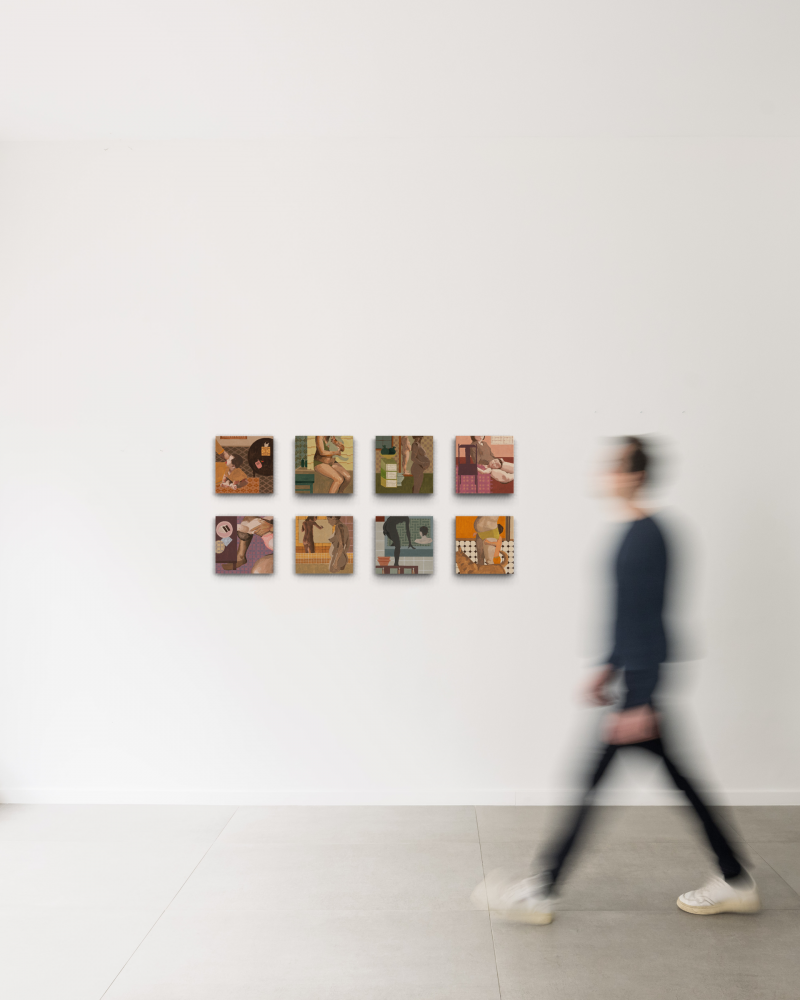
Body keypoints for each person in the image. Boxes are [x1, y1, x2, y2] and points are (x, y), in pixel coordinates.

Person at [479, 437, 759, 924]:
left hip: (640, 690)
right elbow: (624, 614)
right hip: (632, 682)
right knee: (674, 782)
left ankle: (543, 889)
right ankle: (735, 877)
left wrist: (640, 700)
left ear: (633, 475)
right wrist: (607, 666)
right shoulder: (629, 531)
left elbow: (650, 618)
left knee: (595, 783)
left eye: (615, 465)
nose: (606, 472)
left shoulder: (650, 534)